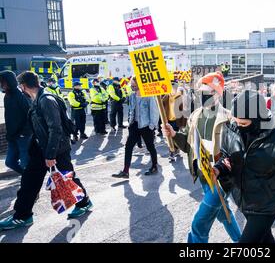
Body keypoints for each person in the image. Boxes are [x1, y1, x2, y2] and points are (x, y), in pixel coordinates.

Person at [0, 72, 92, 231]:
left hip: (55, 149)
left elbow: (55, 129)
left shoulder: (46, 100)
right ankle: (22, 215)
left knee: (67, 178)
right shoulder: (38, 98)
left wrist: (50, 155)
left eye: (20, 86)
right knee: (29, 181)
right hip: (40, 148)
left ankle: (84, 202)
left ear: (23, 86)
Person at [214, 90, 275, 243]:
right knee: (264, 239)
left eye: (244, 123)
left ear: (258, 118)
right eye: (236, 121)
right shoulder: (231, 128)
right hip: (242, 198)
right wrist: (218, 168)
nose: (238, 126)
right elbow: (227, 157)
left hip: (267, 203)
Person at [161, 72, 242, 243]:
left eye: (206, 91)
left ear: (216, 93)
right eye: (200, 91)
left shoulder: (228, 118)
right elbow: (188, 146)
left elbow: (236, 153)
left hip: (221, 178)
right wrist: (174, 134)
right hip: (202, 173)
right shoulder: (195, 115)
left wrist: (224, 170)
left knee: (199, 224)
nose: (201, 94)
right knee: (224, 213)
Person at [112, 77, 160, 178]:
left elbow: (154, 112)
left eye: (134, 85)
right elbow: (130, 110)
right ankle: (125, 171)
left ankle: (154, 166)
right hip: (134, 125)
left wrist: (152, 126)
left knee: (150, 146)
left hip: (146, 126)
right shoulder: (132, 96)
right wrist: (130, 122)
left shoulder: (149, 96)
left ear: (140, 85)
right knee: (128, 147)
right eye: (131, 85)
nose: (132, 87)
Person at [0, 71, 32, 175]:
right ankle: (27, 178)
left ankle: (30, 184)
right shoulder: (7, 97)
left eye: (3, 82)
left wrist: (23, 133)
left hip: (23, 136)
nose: (1, 85)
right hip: (12, 136)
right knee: (9, 162)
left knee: (25, 163)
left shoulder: (21, 96)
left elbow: (30, 115)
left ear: (9, 82)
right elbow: (9, 117)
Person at [162, 83, 182, 162]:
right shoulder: (166, 97)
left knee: (175, 136)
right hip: (169, 120)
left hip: (177, 120)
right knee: (169, 137)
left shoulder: (180, 97)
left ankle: (176, 150)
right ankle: (172, 152)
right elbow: (161, 105)